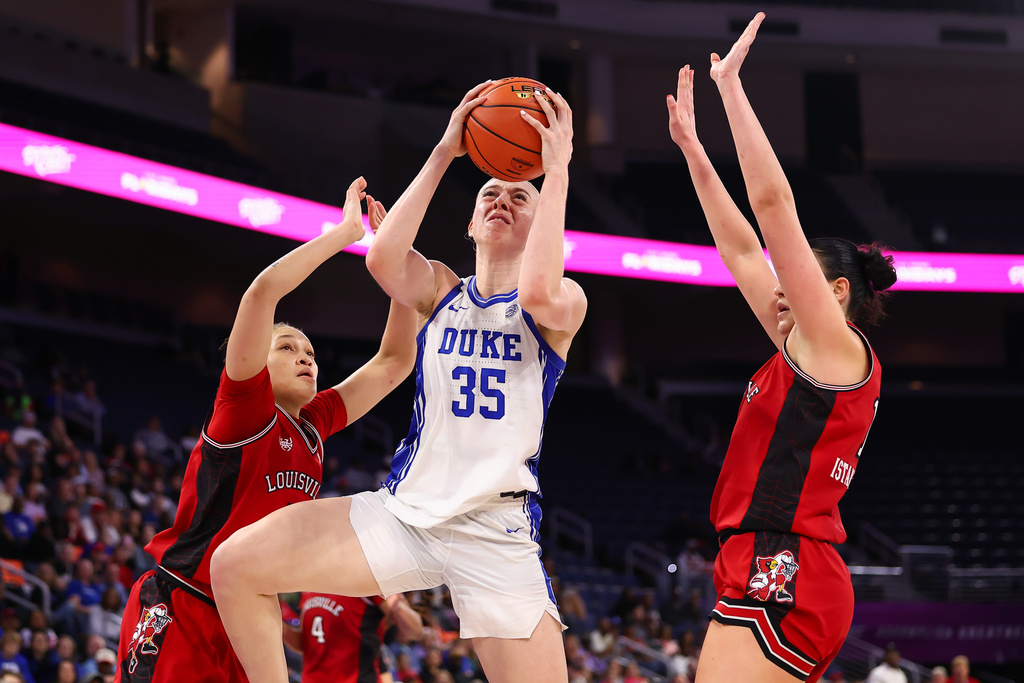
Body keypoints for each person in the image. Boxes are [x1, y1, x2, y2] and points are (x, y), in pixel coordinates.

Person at [210, 81, 586, 683]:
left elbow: (539, 286)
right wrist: (446, 149)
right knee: (234, 565)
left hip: (496, 529)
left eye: (521, 198)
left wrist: (558, 166)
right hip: (405, 513)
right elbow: (384, 259)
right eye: (490, 191)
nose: (501, 201)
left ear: (545, 225)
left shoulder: (560, 305)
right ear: (468, 222)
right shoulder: (440, 290)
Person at [666, 13, 897, 683]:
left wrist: (731, 88)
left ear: (837, 292)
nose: (778, 289)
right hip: (767, 557)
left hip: (787, 560)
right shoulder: (806, 351)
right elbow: (740, 248)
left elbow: (771, 206)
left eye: (795, 281)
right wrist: (693, 151)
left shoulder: (832, 344)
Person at [113, 177, 418, 682]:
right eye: (288, 349)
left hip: (250, 620)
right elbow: (262, 293)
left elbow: (393, 362)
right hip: (185, 599)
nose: (305, 359)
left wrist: (401, 269)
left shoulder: (314, 425)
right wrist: (345, 233)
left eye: (311, 354)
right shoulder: (245, 408)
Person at [283, 592, 424, 683]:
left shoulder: (365, 584)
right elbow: (304, 644)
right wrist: (277, 626)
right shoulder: (308, 590)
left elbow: (416, 631)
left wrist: (395, 603)